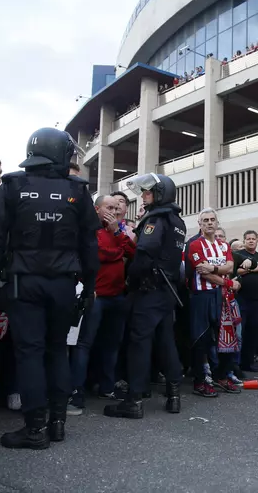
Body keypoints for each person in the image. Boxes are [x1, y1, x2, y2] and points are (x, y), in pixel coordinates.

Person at [0, 128, 99, 450]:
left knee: (30, 353)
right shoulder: (77, 190)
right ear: (62, 154)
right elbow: (90, 243)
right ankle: (57, 423)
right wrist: (89, 287)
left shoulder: (14, 185)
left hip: (24, 282)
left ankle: (35, 429)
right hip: (64, 283)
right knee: (57, 349)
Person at [104, 173, 186, 419]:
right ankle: (174, 396)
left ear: (161, 194)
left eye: (148, 192)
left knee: (139, 343)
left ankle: (134, 400)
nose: (143, 195)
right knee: (165, 342)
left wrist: (132, 279)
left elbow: (144, 251)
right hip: (167, 290)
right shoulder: (178, 221)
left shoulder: (156, 218)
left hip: (149, 289)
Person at [68, 196, 135, 416]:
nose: (113, 211)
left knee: (112, 344)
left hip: (117, 296)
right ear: (97, 209)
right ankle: (75, 393)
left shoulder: (118, 231)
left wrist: (117, 234)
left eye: (117, 208)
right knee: (84, 344)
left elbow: (133, 252)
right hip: (95, 296)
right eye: (109, 207)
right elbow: (96, 256)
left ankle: (107, 387)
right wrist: (118, 252)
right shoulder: (89, 229)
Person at [186, 208, 239, 397]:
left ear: (217, 222)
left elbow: (230, 266)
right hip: (201, 297)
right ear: (199, 224)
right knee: (201, 339)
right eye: (205, 220)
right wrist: (228, 281)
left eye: (212, 219)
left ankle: (221, 376)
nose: (209, 223)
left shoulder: (224, 246)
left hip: (221, 297)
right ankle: (200, 381)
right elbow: (203, 273)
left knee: (226, 337)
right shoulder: (194, 245)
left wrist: (214, 267)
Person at [235, 230, 258, 372]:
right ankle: (236, 364)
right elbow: (235, 271)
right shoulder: (239, 255)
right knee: (240, 332)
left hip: (257, 301)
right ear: (244, 241)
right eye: (248, 239)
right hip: (241, 299)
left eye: (253, 239)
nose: (251, 241)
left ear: (257, 241)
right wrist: (252, 269)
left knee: (252, 332)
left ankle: (248, 362)